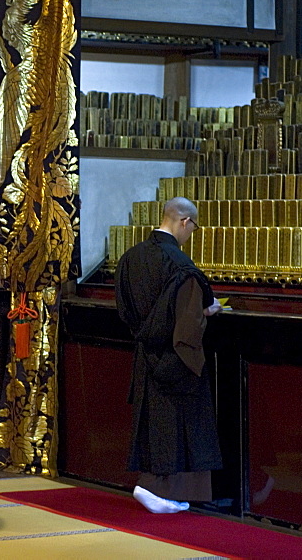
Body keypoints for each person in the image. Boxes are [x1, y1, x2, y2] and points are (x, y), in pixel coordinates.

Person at [114, 196, 223, 514]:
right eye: (194, 227)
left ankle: (153, 488)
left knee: (154, 424)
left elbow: (125, 310)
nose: (191, 234)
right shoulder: (181, 265)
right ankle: (162, 491)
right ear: (184, 222)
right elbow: (186, 324)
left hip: (145, 355)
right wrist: (208, 311)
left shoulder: (130, 258)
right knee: (179, 426)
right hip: (176, 359)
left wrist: (148, 336)